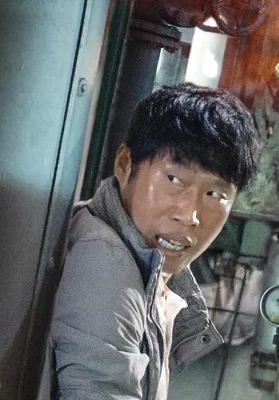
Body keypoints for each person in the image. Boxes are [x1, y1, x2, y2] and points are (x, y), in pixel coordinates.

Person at [49, 83, 260, 399]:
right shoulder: (107, 269)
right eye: (174, 179)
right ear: (125, 165)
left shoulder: (142, 268)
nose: (190, 215)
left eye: (215, 194)